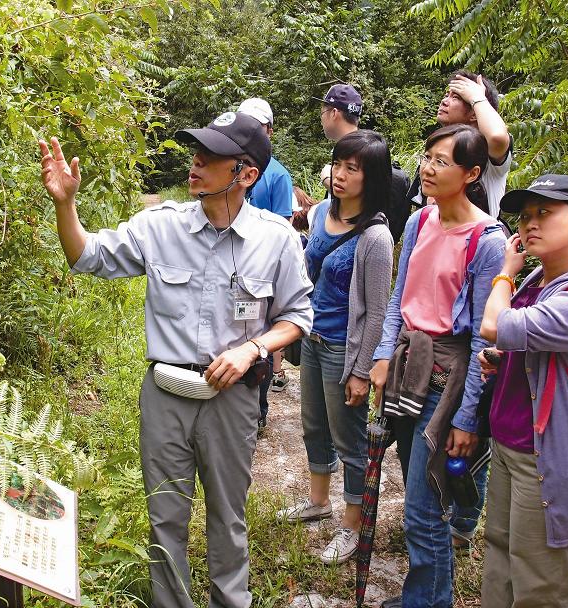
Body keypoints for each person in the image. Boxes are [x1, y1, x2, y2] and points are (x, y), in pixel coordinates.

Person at [38, 110, 313, 608]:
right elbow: (86, 256)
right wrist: (66, 204)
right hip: (165, 395)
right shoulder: (160, 227)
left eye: (211, 157)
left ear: (246, 174)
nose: (196, 163)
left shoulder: (277, 239)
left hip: (233, 399)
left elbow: (297, 316)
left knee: (228, 516)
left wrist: (253, 348)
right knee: (165, 518)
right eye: (196, 152)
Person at [370, 124, 506, 608]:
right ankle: (429, 594)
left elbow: (481, 340)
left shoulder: (488, 240)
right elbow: (396, 299)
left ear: (472, 173)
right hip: (408, 367)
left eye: (442, 161)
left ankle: (426, 601)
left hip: (448, 377)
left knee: (425, 511)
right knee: (418, 494)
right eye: (427, 157)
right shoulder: (419, 222)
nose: (428, 168)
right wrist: (382, 355)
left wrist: (468, 418)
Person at [477, 174, 568, 608]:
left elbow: (493, 326)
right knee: (500, 552)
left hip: (547, 455)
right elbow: (519, 345)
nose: (530, 224)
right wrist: (503, 360)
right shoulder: (539, 278)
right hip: (510, 443)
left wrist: (502, 274)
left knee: (541, 580)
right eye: (526, 215)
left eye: (545, 212)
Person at [276, 130, 394, 564]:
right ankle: (318, 500)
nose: (340, 176)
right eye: (338, 165)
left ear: (372, 177)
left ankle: (352, 525)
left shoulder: (376, 238)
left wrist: (363, 371)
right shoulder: (322, 211)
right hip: (312, 338)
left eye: (353, 169)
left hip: (345, 349)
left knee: (351, 440)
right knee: (313, 426)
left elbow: (379, 312)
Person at [237, 97, 296, 431]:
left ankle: (258, 412)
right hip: (233, 270)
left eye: (256, 126)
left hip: (262, 272)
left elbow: (284, 227)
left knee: (260, 340)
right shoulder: (229, 163)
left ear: (269, 131)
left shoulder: (277, 175)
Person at [411, 71, 512, 219]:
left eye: (456, 97)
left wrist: (477, 97)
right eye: (446, 95)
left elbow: (497, 136)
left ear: (474, 113)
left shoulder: (487, 153)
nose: (444, 101)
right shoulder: (437, 148)